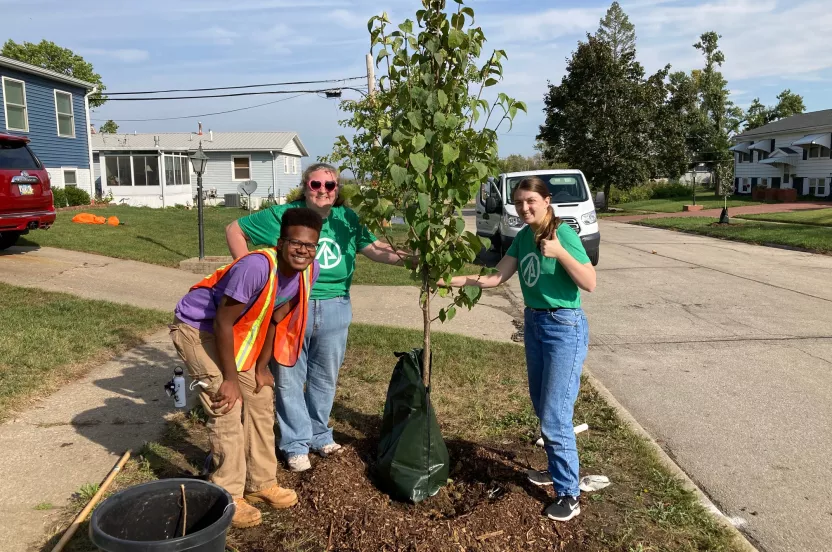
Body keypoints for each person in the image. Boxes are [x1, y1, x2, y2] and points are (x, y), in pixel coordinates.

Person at [225, 162, 407, 472]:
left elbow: (376, 249)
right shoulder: (287, 216)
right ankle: (295, 444)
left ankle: (319, 435)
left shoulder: (348, 219)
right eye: (316, 185)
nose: (323, 190)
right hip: (293, 304)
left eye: (330, 186)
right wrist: (254, 272)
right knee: (289, 375)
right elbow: (235, 229)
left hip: (336, 306)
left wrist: (414, 260)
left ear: (337, 190)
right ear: (305, 186)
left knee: (325, 376)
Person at [447, 176, 596, 522]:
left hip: (564, 327)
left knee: (555, 414)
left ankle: (569, 494)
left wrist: (559, 251)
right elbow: (494, 278)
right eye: (518, 202)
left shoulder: (564, 234)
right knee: (543, 406)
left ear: (547, 201)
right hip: (535, 324)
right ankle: (558, 470)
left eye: (531, 200)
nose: (524, 207)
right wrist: (441, 279)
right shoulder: (524, 237)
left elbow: (589, 282)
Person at [170, 207, 323, 528]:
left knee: (260, 396)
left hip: (238, 333)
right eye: (296, 243)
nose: (303, 251)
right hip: (199, 328)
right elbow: (223, 321)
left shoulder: (310, 270)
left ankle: (261, 484)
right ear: (281, 242)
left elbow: (274, 317)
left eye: (310, 245)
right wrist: (228, 378)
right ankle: (228, 493)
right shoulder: (256, 266)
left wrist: (261, 367)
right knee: (226, 403)